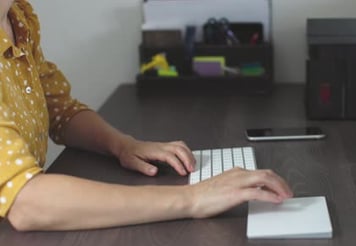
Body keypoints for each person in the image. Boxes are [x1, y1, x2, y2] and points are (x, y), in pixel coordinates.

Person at [0, 0, 293, 231]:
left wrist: (123, 145)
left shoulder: (17, 17)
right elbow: (26, 201)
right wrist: (193, 199)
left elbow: (60, 111)